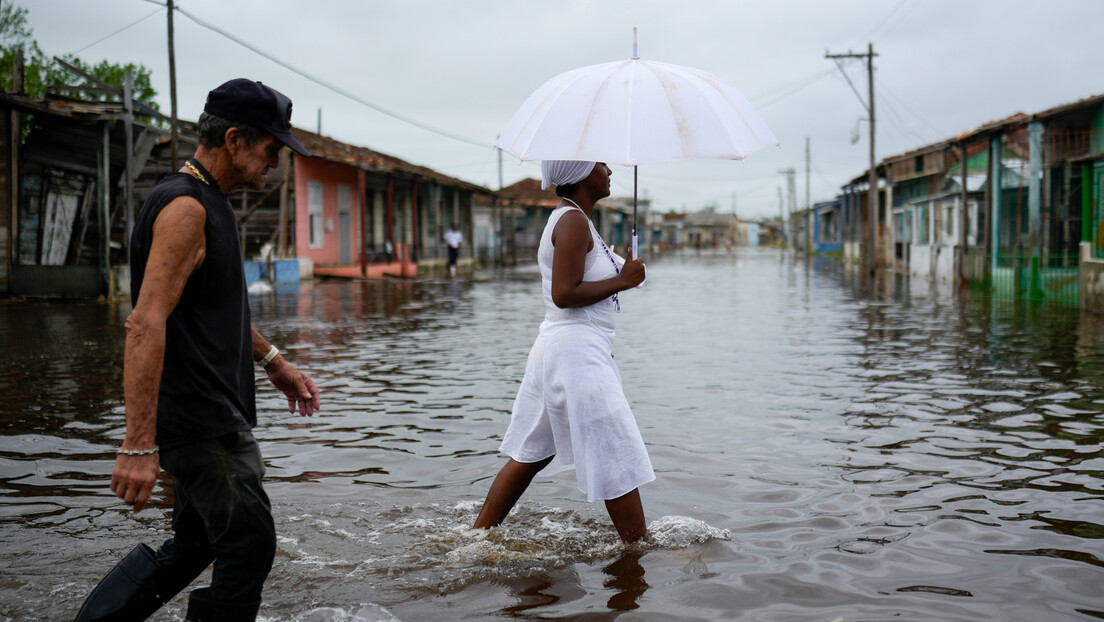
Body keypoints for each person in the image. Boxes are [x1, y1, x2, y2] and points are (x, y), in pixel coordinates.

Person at [75, 79, 320, 622]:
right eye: (271, 150)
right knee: (249, 542)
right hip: (198, 417)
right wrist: (138, 444)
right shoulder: (186, 208)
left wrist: (272, 361)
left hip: (212, 406)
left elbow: (213, 309)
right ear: (234, 140)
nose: (275, 164)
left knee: (197, 543)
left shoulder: (209, 201)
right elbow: (145, 322)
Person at [473, 160, 653, 543]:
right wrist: (622, 280)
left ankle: (474, 539)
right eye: (601, 164)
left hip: (567, 348)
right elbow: (564, 294)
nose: (609, 169)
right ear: (582, 173)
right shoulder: (571, 221)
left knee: (531, 453)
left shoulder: (575, 220)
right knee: (612, 450)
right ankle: (639, 553)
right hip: (573, 351)